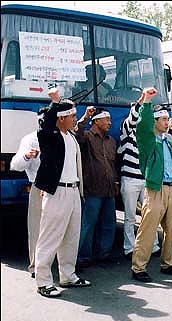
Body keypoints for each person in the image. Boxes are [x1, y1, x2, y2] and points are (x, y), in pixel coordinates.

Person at [34, 89, 91, 298]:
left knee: (71, 236)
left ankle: (68, 275)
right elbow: (45, 125)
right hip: (57, 191)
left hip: (74, 190)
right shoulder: (50, 135)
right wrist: (55, 103)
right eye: (72, 116)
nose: (74, 119)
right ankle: (43, 281)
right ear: (61, 118)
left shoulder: (71, 136)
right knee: (50, 237)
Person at [132, 87, 172, 282]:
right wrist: (146, 102)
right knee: (148, 229)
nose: (167, 122)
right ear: (155, 121)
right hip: (156, 189)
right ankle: (138, 267)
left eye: (167, 119)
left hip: (171, 189)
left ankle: (167, 263)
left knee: (171, 231)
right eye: (163, 119)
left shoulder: (168, 142)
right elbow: (143, 126)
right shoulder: (148, 141)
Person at [75, 106, 119, 269]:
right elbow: (76, 133)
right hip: (92, 189)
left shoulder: (111, 141)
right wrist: (85, 116)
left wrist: (115, 181)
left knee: (109, 224)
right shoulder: (86, 137)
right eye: (106, 119)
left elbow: (113, 164)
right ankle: (82, 256)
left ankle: (104, 254)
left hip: (109, 189)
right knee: (88, 224)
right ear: (97, 121)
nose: (110, 123)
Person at [118, 98, 161, 260]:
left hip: (145, 180)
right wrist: (143, 101)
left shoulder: (149, 135)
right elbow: (133, 118)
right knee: (129, 217)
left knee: (151, 215)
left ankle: (153, 245)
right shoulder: (128, 130)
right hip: (129, 179)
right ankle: (129, 248)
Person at [10, 105, 51, 278]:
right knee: (37, 228)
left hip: (61, 188)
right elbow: (15, 165)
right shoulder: (30, 139)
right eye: (42, 120)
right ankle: (35, 266)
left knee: (60, 229)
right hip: (39, 186)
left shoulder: (63, 137)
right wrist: (27, 156)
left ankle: (62, 265)